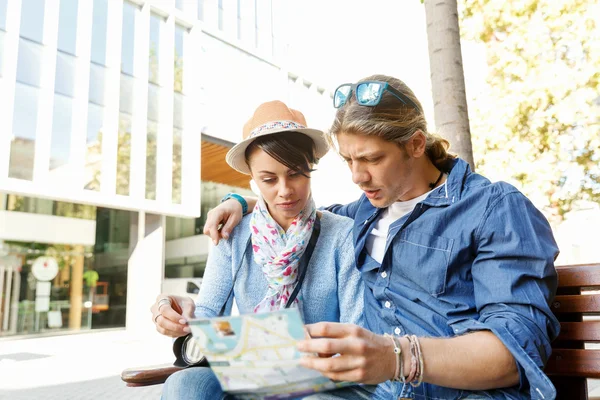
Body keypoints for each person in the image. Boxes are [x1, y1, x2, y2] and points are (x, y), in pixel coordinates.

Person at [203, 75, 560, 399]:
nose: (357, 177)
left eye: (372, 159)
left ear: (416, 144)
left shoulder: (492, 208)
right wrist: (241, 201)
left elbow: (516, 353)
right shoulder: (360, 213)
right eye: (348, 161)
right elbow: (293, 210)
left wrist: (395, 357)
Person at [150, 100, 369, 400]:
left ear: (310, 169)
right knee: (182, 385)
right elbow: (208, 316)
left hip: (322, 381)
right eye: (268, 179)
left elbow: (355, 333)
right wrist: (175, 311)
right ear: (252, 180)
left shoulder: (341, 235)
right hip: (249, 374)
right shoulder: (233, 233)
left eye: (296, 174)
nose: (284, 190)